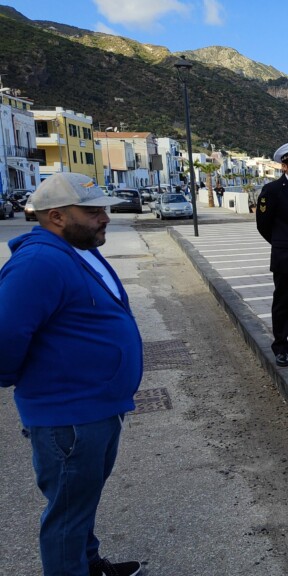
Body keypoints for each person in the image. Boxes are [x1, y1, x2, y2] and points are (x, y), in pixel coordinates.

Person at [0, 173, 143, 576]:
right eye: (93, 210)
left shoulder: (76, 249)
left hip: (94, 407)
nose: (105, 217)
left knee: (80, 502)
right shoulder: (39, 262)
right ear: (57, 217)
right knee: (66, 515)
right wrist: (22, 379)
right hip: (69, 417)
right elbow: (6, 332)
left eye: (104, 209)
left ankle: (90, 565)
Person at [257, 140, 288, 367]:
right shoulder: (272, 191)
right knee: (285, 305)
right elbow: (263, 225)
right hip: (286, 258)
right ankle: (281, 348)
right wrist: (281, 244)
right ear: (284, 166)